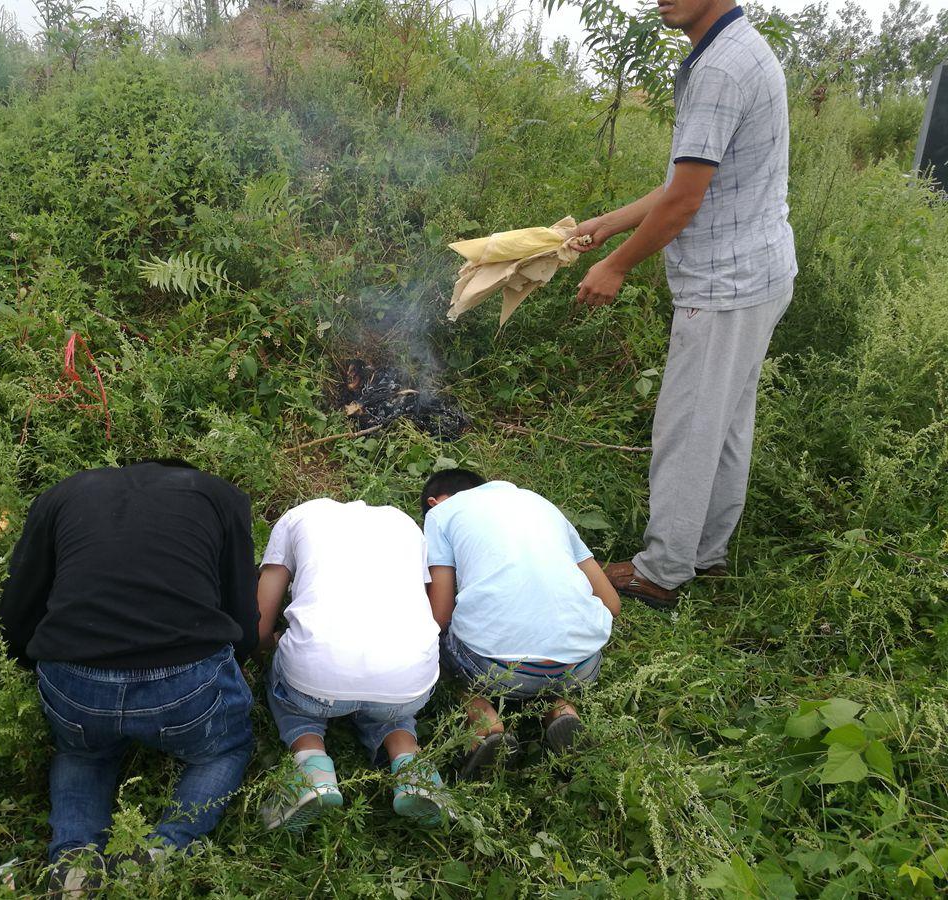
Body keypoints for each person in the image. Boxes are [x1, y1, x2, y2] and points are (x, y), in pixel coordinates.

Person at [572, 0, 796, 609]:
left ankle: (660, 573)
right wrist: (610, 225)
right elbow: (686, 179)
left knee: (689, 427)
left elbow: (683, 203)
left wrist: (615, 267)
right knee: (723, 425)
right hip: (759, 275)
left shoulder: (723, 67)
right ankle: (706, 554)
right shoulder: (731, 49)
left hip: (725, 285)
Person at [0, 459, 258, 892]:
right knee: (225, 749)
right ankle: (164, 849)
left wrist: (37, 668)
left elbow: (19, 602)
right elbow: (240, 605)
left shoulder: (62, 493)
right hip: (187, 679)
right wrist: (238, 662)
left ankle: (75, 859)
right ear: (183, 475)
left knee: (83, 754)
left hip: (74, 675)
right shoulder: (219, 495)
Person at [255, 497, 447, 830]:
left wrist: (264, 650)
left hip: (314, 682)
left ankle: (312, 766)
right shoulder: (405, 524)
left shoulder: (296, 517)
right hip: (408, 682)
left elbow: (259, 621)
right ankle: (412, 768)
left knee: (287, 685)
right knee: (392, 703)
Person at [421, 470, 620, 776]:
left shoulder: (441, 514)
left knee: (434, 643)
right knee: (559, 640)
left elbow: (440, 616)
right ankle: (561, 708)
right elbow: (612, 604)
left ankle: (484, 721)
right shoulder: (541, 504)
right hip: (581, 665)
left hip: (494, 670)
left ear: (434, 502)